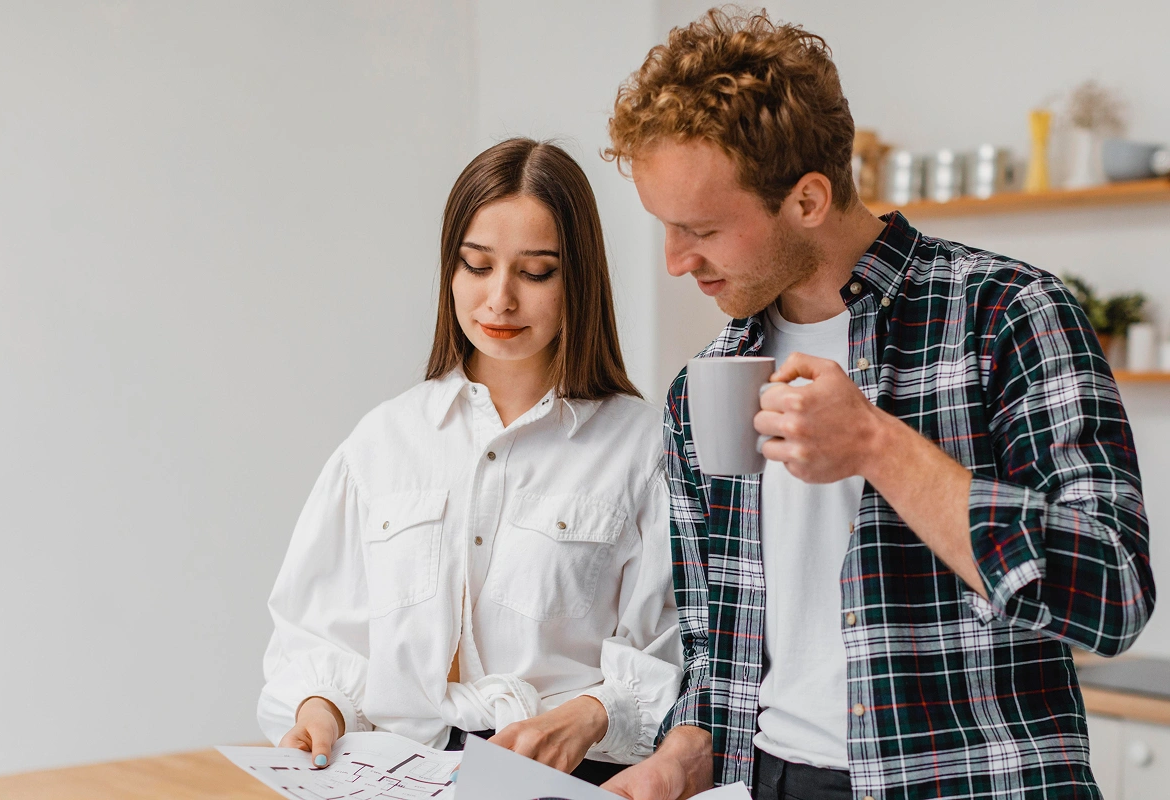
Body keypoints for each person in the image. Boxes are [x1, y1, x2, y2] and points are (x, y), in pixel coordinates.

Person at [599, 9, 1156, 800]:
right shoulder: (706, 384)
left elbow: (1115, 595)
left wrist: (879, 447)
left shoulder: (1007, 314)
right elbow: (717, 654)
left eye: (701, 230)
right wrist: (679, 759)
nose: (675, 261)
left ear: (808, 200)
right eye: (666, 228)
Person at [257, 138, 682, 787]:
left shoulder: (645, 447)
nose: (500, 300)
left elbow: (676, 651)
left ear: (579, 279)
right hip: (395, 773)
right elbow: (318, 634)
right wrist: (319, 707)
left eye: (536, 272)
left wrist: (591, 712)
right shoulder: (384, 442)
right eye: (476, 266)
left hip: (565, 777)